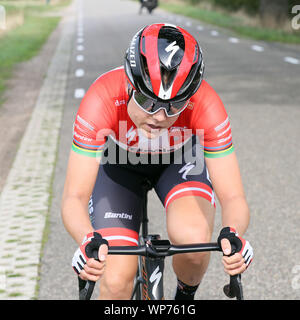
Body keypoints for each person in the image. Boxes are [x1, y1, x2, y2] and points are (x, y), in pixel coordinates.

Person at [62, 23, 253, 300]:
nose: (160, 116)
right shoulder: (101, 98)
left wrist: (233, 234)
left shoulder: (206, 104)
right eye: (146, 101)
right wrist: (86, 238)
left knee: (195, 245)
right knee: (115, 281)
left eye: (175, 105)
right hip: (118, 165)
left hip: (178, 162)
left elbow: (234, 196)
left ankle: (183, 299)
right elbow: (73, 198)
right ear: (129, 83)